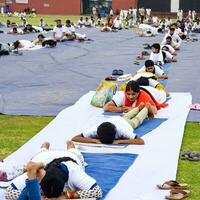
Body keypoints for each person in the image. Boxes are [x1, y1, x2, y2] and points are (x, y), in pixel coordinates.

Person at [4, 141, 102, 200]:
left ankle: (70, 144)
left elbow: (97, 192)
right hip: (43, 157)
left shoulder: (74, 172)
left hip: (70, 156)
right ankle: (45, 145)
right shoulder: (38, 173)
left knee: (73, 150)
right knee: (42, 151)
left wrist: (67, 195)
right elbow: (9, 192)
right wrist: (40, 196)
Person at [72, 103, 153, 145]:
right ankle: (138, 108)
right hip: (117, 118)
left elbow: (140, 141)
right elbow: (75, 138)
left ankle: (146, 108)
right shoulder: (95, 130)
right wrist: (93, 140)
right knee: (127, 116)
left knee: (137, 119)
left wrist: (120, 141)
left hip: (127, 124)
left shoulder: (122, 130)